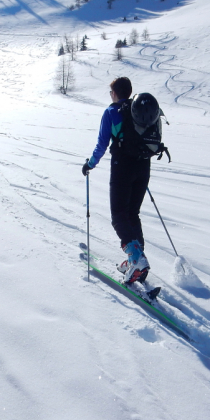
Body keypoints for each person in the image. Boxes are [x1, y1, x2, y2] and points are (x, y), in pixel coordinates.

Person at [82, 77, 157, 285]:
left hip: (122, 168)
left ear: (115, 93)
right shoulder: (136, 111)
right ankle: (137, 259)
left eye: (110, 92)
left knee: (118, 216)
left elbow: (102, 144)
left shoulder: (112, 112)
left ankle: (137, 260)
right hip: (143, 166)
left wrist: (90, 164)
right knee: (133, 214)